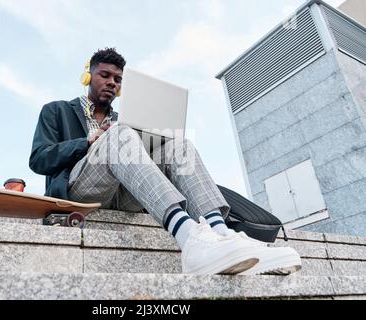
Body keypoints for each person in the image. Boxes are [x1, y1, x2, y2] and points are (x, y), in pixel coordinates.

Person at [29, 48, 302, 275]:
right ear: (88, 76)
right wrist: (89, 141)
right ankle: (190, 241)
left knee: (178, 145)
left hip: (124, 193)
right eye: (105, 75)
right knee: (119, 134)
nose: (112, 82)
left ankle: (222, 235)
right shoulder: (57, 111)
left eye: (118, 79)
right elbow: (39, 159)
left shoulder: (122, 121)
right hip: (80, 191)